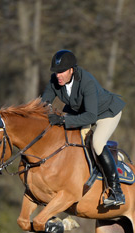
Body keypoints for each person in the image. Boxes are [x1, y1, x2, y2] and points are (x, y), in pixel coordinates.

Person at [41, 49, 126, 207]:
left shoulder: (86, 81)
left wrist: (63, 119)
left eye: (62, 72)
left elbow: (91, 116)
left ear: (72, 70)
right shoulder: (55, 81)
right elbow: (42, 105)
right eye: (56, 72)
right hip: (81, 111)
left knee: (97, 143)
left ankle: (116, 191)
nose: (58, 75)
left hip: (105, 113)